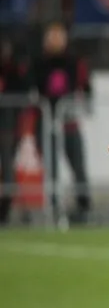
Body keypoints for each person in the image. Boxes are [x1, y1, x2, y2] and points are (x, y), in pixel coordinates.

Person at [31, 22, 92, 224]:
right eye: (52, 37)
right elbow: (30, 89)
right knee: (52, 169)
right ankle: (55, 207)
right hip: (46, 123)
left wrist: (83, 105)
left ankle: (84, 207)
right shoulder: (38, 63)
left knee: (78, 167)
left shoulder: (74, 62)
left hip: (69, 123)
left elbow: (86, 86)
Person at [0, 35, 31, 225]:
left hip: (7, 127)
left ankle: (5, 208)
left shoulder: (14, 71)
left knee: (8, 168)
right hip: (8, 128)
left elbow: (24, 89)